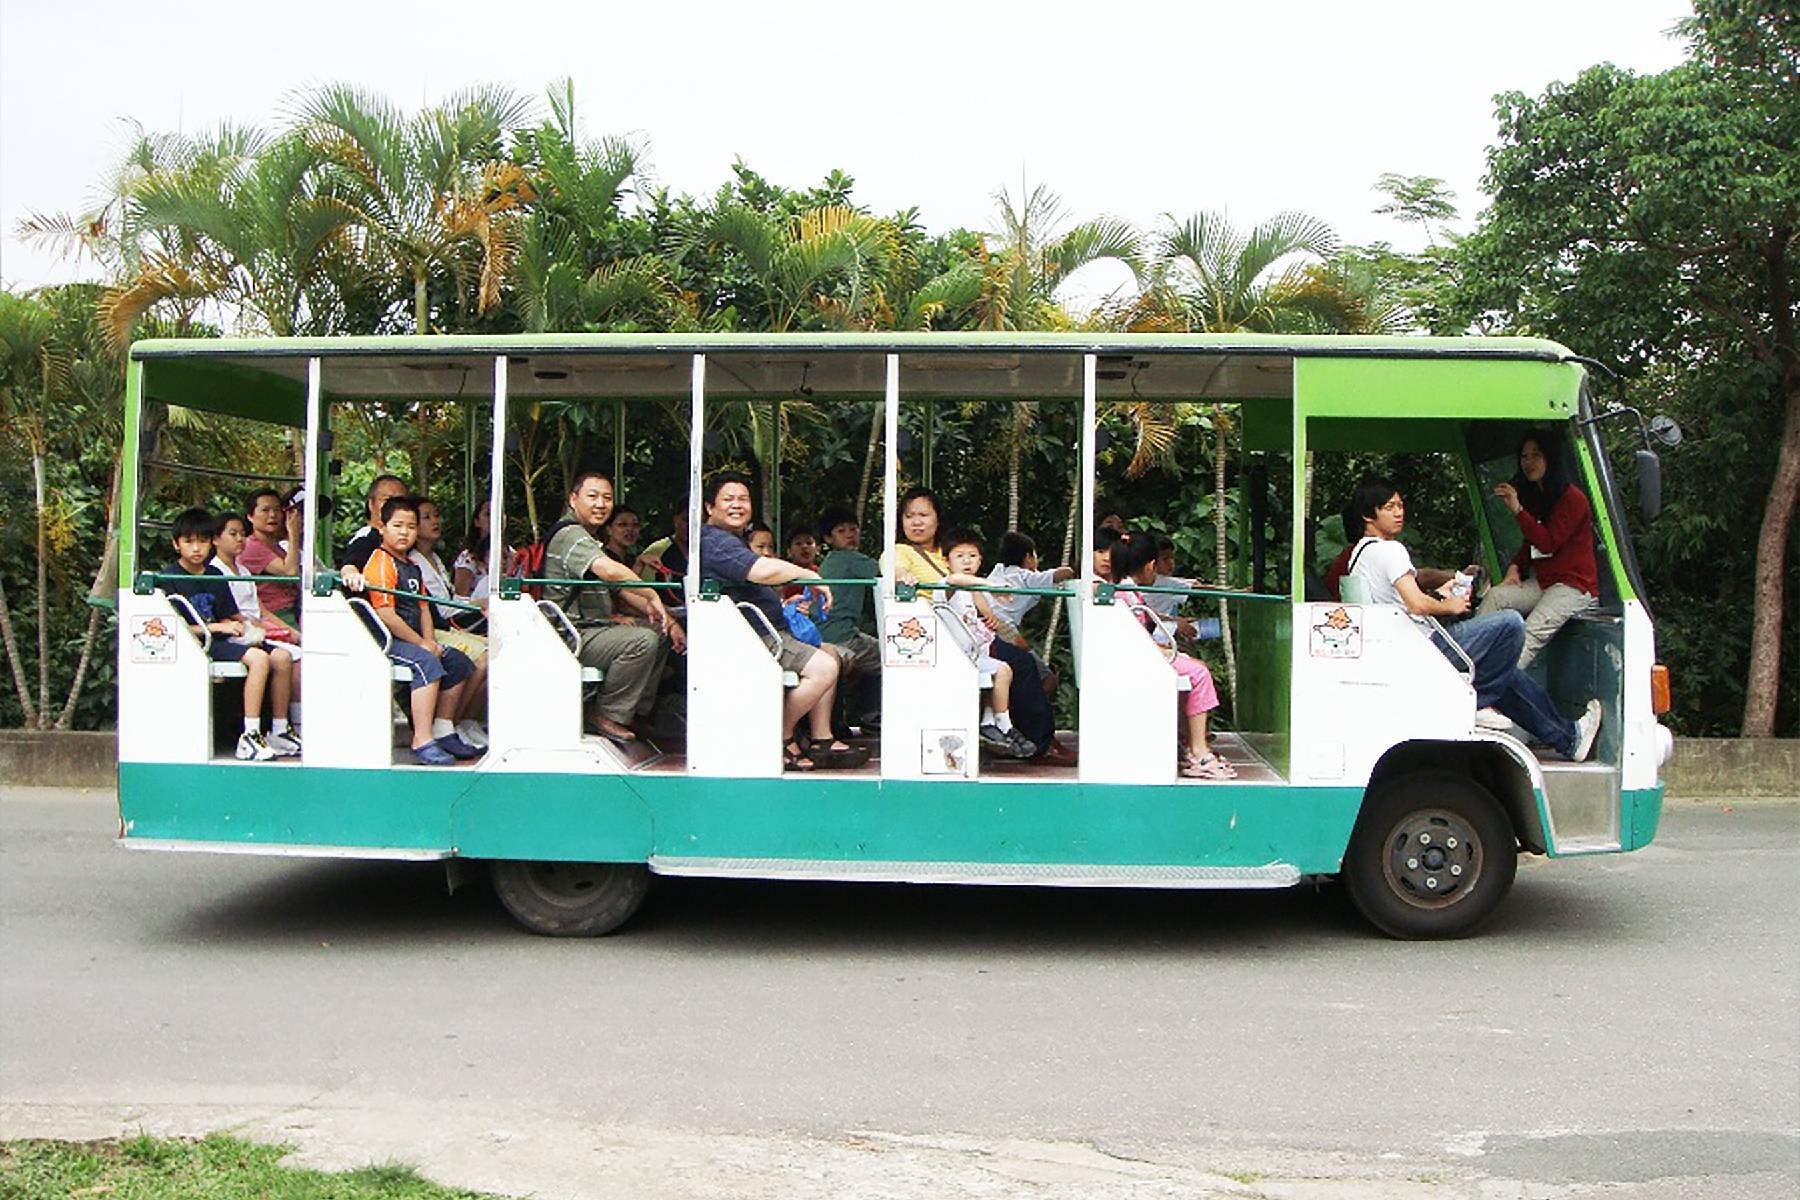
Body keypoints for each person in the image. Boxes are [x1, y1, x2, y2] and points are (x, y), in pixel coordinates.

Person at [1346, 475, 1602, 762]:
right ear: (1369, 515)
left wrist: (1445, 585)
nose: (1399, 512)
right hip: (1424, 651)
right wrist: (1451, 606)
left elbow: (1413, 582)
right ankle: (1476, 701)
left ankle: (1569, 738)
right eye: (1390, 507)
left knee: (1507, 676)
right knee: (1510, 624)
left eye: (1401, 505)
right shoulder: (1390, 550)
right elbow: (1417, 604)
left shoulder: (1360, 554)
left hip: (1405, 651)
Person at [700, 472, 866, 771]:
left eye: (743, 499)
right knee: (823, 667)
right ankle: (777, 735)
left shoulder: (731, 541)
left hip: (767, 631)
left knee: (829, 653)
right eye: (728, 499)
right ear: (710, 507)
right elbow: (760, 572)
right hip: (751, 637)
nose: (737, 505)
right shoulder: (715, 543)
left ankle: (820, 738)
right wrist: (808, 575)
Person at [894, 487, 1058, 760]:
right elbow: (898, 569)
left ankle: (1010, 729)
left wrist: (990, 609)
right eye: (909, 516)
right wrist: (903, 575)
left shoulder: (949, 550)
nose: (917, 521)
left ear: (937, 518)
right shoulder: (902, 551)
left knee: (1029, 663)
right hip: (941, 635)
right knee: (1022, 664)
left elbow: (971, 591)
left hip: (973, 628)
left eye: (924, 514)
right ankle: (1033, 741)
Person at [543, 470, 686, 744]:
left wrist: (667, 620)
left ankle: (635, 714)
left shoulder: (587, 537)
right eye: (592, 496)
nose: (600, 504)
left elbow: (618, 589)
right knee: (641, 641)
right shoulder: (571, 535)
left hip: (592, 629)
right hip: (570, 634)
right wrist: (653, 595)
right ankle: (607, 714)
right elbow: (609, 571)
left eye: (607, 498)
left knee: (660, 633)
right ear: (573, 499)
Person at [163, 507, 298, 761]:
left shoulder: (214, 574)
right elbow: (175, 627)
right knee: (258, 660)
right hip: (198, 642)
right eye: (189, 542)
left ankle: (279, 731)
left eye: (202, 541)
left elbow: (231, 613)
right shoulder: (169, 578)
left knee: (281, 656)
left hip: (223, 638)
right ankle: (250, 734)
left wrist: (253, 627)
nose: (196, 549)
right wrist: (217, 627)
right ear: (176, 544)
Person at [362, 496, 485, 766]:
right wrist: (421, 644)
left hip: (415, 639)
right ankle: (422, 738)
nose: (405, 532)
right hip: (388, 641)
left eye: (410, 526)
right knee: (426, 663)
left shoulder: (413, 565)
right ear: (382, 528)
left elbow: (425, 609)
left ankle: (444, 729)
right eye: (398, 525)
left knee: (458, 661)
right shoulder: (381, 563)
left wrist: (430, 639)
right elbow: (385, 614)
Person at [1111, 532, 1234, 779]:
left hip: (1133, 657)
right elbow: (1137, 642)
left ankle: (1184, 738)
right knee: (1199, 673)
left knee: (1190, 665)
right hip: (1137, 660)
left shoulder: (1123, 590)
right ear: (1150, 566)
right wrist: (1168, 652)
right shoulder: (1127, 595)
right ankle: (1198, 751)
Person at [1478, 431, 1600, 667]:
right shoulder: (1538, 495)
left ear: (1550, 458)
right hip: (1544, 582)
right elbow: (1531, 542)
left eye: (1536, 455)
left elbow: (1547, 542)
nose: (1529, 462)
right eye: (1524, 456)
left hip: (1574, 587)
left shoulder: (1572, 498)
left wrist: (1517, 510)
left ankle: (1492, 687)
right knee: (1496, 596)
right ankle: (1465, 664)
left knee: (1529, 633)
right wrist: (1515, 567)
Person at [941, 531, 1037, 758]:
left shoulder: (974, 592)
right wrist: (990, 584)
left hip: (974, 654)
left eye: (972, 556)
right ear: (946, 561)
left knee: (1001, 668)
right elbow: (955, 580)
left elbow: (984, 607)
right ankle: (1003, 723)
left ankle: (989, 721)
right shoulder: (947, 586)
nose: (967, 561)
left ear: (980, 560)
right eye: (960, 556)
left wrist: (992, 610)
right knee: (1003, 670)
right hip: (957, 656)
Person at [210, 511, 304, 740]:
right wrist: (264, 629)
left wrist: (289, 631)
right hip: (238, 634)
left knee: (286, 656)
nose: (240, 539)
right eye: (232, 534)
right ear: (216, 539)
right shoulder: (215, 571)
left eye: (242, 534)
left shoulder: (243, 571)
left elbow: (260, 609)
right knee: (287, 656)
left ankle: (281, 728)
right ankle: (255, 731)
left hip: (257, 630)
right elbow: (237, 615)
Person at [814, 506, 881, 729]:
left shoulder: (830, 560)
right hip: (841, 636)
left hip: (832, 632)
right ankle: (873, 714)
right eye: (842, 531)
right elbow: (885, 571)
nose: (850, 534)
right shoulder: (849, 559)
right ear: (828, 538)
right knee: (892, 656)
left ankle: (864, 714)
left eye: (853, 529)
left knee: (874, 650)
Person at [411, 497, 489, 676]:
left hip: (453, 620)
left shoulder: (435, 558)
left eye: (436, 516)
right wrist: (479, 603)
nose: (435, 521)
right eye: (427, 517)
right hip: (441, 625)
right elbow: (444, 610)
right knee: (485, 657)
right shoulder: (414, 562)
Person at [240, 487, 303, 629]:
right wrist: (293, 533)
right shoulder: (252, 546)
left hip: (293, 608)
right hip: (275, 613)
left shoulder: (275, 545)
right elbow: (290, 572)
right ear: (250, 516)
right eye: (265, 510)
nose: (273, 515)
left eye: (277, 509)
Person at [339, 473, 409, 582]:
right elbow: (350, 565)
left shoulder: (408, 536)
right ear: (371, 504)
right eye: (387, 500)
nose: (395, 507)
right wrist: (352, 575)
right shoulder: (367, 537)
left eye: (401, 501)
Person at [452, 498, 497, 604]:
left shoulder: (512, 553)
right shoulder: (468, 558)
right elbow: (459, 602)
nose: (495, 517)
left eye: (499, 512)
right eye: (488, 514)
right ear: (477, 522)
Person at [636, 507, 691, 582]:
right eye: (686, 520)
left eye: (700, 521)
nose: (691, 526)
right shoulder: (657, 550)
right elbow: (644, 585)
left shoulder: (707, 549)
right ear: (675, 519)